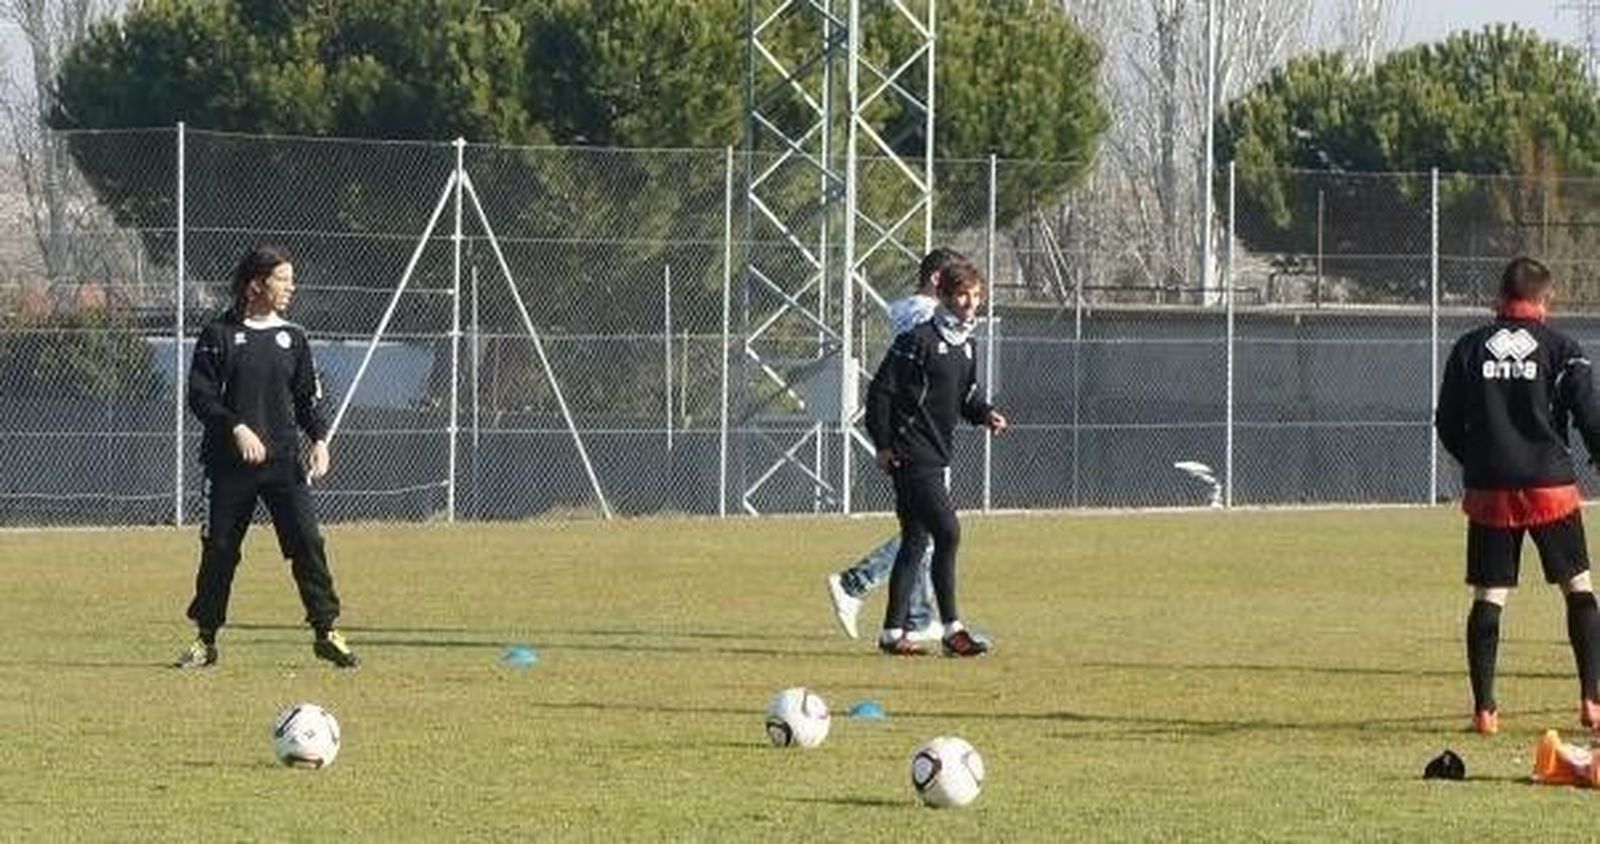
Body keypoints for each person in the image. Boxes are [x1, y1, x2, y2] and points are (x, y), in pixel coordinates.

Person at [172, 246, 359, 669]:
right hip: (228, 467)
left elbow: (307, 398)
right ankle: (205, 640)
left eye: (292, 279)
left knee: (308, 543)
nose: (291, 287)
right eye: (283, 279)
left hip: (283, 465)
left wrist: (321, 440)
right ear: (257, 284)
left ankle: (326, 631)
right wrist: (236, 428)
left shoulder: (293, 338)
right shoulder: (218, 334)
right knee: (220, 549)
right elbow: (200, 397)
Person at [1435, 256, 1600, 734]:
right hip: (1551, 488)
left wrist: (1479, 462)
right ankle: (1591, 701)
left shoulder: (1468, 349)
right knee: (1579, 588)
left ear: (1499, 298)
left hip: (1491, 492)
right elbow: (1589, 415)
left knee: (1490, 595)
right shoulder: (1563, 350)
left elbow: (1445, 423)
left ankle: (1484, 710)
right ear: (1545, 300)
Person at [826, 249, 971, 642]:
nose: (966, 301)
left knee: (920, 532)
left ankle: (916, 618)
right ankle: (858, 581)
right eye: (957, 284)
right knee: (935, 531)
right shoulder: (928, 320)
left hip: (921, 436)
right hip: (919, 440)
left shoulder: (911, 313)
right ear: (939, 281)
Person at [866, 254, 1007, 657]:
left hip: (936, 454)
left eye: (976, 296)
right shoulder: (917, 341)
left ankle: (893, 633)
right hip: (912, 456)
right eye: (962, 295)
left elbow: (965, 397)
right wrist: (883, 444)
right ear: (943, 295)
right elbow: (881, 393)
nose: (970, 303)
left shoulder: (967, 345)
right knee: (949, 532)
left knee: (915, 540)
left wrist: (984, 414)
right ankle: (952, 630)